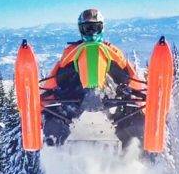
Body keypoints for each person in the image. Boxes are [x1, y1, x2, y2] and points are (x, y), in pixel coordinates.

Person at [40, 8, 145, 147]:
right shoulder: (71, 52)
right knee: (53, 119)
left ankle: (134, 139)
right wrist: (41, 98)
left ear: (101, 27)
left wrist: (141, 98)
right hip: (72, 100)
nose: (91, 32)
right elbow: (53, 79)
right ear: (81, 30)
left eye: (95, 27)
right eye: (87, 28)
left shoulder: (111, 51)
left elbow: (131, 77)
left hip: (112, 99)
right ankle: (55, 133)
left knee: (134, 120)